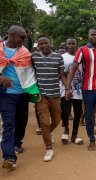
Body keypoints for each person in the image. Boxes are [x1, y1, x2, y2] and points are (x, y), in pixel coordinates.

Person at [65, 28, 96, 154]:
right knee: (89, 116)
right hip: (87, 89)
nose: (95, 37)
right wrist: (67, 87)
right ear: (88, 36)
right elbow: (73, 68)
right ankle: (92, 140)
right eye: (93, 35)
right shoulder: (82, 50)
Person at [0, 25, 40, 169]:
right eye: (21, 38)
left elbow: (31, 72)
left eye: (25, 38)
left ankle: (17, 142)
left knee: (22, 121)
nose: (24, 41)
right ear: (11, 35)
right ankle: (9, 157)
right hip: (6, 95)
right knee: (9, 123)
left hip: (23, 94)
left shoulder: (25, 52)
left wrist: (34, 90)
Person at [32, 34, 66, 162]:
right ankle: (49, 149)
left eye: (46, 43)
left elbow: (62, 75)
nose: (44, 45)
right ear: (37, 45)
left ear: (50, 43)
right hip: (41, 96)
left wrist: (68, 88)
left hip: (55, 95)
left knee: (57, 119)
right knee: (44, 123)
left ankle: (48, 132)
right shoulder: (34, 57)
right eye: (40, 43)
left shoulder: (58, 57)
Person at [60, 37, 84, 145]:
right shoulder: (62, 57)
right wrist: (67, 88)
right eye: (69, 43)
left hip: (78, 88)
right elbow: (60, 74)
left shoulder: (81, 56)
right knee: (65, 111)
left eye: (73, 43)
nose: (71, 45)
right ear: (66, 45)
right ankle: (66, 129)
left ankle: (74, 135)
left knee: (78, 112)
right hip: (65, 88)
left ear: (76, 44)